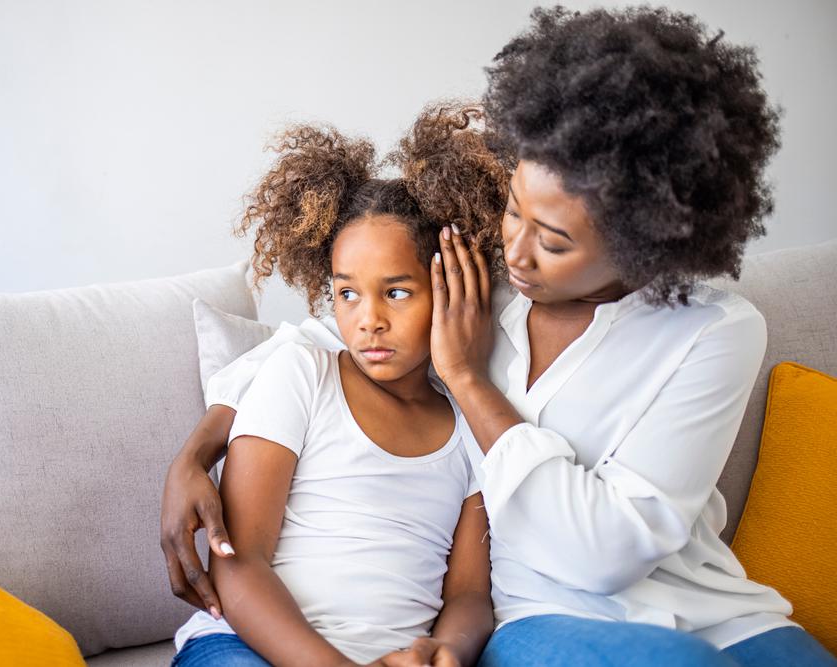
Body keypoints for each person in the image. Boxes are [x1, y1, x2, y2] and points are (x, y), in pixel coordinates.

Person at [162, 7, 837, 667]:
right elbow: (336, 328)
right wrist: (195, 453)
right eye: (515, 209)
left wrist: (468, 382)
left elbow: (605, 543)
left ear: (646, 241)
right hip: (548, 611)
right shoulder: (477, 279)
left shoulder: (715, 330)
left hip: (711, 605)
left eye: (553, 240)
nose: (515, 249)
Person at [169, 105, 511, 667]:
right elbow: (240, 561)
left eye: (397, 292)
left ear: (449, 287)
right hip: (246, 648)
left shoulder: (472, 423)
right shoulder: (302, 372)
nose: (367, 319)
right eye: (347, 293)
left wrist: (446, 650)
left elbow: (469, 595)